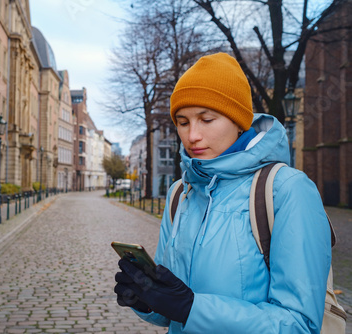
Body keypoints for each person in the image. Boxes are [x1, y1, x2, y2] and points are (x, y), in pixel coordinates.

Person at [114, 53, 331, 333]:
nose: (192, 135)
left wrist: (193, 308)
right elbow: (173, 309)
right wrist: (147, 300)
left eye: (207, 119)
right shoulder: (180, 193)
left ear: (238, 120)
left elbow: (299, 324)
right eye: (182, 122)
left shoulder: (286, 189)